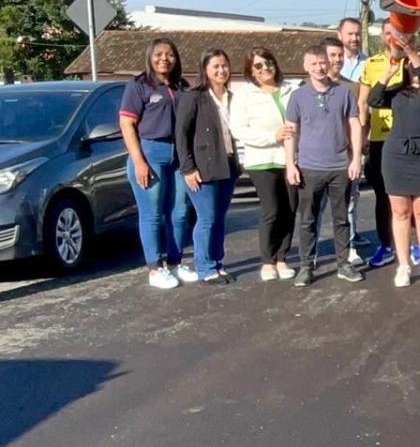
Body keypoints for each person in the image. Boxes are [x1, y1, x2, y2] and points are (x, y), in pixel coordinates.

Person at [366, 35, 420, 287]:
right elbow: (374, 99)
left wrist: (410, 49)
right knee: (400, 212)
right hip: (396, 154)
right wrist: (389, 71)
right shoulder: (398, 92)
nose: (415, 65)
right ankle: (403, 265)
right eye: (411, 62)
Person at [285, 45, 364, 287]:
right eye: (314, 64)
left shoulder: (343, 93)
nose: (319, 67)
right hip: (309, 167)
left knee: (341, 218)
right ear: (305, 67)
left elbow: (355, 125)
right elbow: (291, 132)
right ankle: (307, 266)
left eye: (322, 62)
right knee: (308, 219)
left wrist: (356, 158)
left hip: (340, 165)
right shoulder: (298, 96)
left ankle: (344, 264)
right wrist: (290, 164)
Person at [118, 37, 193, 290]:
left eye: (169, 54)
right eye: (158, 54)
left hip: (179, 154)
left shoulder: (182, 86)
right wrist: (139, 161)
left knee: (180, 212)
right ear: (150, 57)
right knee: (152, 215)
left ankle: (175, 262)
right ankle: (154, 267)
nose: (164, 58)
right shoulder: (139, 85)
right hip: (150, 152)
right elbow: (127, 124)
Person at [229, 46, 297, 280]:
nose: (265, 68)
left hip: (289, 160)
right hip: (262, 161)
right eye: (258, 65)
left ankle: (282, 258)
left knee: (290, 210)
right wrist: (272, 138)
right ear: (251, 71)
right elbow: (238, 129)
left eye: (268, 62)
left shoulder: (290, 89)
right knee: (272, 210)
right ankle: (267, 261)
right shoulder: (244, 95)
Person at [175, 49, 240, 285]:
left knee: (220, 218)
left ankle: (217, 262)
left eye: (224, 65)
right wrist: (188, 168)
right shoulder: (194, 97)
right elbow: (181, 135)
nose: (221, 70)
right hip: (203, 167)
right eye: (216, 66)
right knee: (207, 218)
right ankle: (204, 267)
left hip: (229, 165)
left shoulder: (232, 97)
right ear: (205, 70)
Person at [359, 25, 405, 269]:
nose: (392, 37)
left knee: (410, 195)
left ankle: (412, 245)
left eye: (396, 32)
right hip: (379, 138)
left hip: (406, 137)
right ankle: (385, 245)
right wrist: (363, 136)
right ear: (382, 36)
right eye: (388, 32)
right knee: (382, 196)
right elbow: (363, 102)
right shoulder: (372, 63)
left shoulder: (411, 61)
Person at [323, 34, 364, 264]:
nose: (337, 59)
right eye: (332, 55)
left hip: (345, 157)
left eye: (340, 55)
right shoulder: (307, 87)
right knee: (315, 210)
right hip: (316, 160)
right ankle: (313, 252)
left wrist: (356, 156)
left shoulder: (351, 87)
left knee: (348, 206)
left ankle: (348, 249)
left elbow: (356, 122)